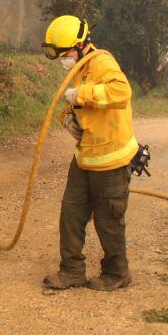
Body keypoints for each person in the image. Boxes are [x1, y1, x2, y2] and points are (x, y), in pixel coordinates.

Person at [40, 15, 139, 291]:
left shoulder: (102, 62)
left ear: (81, 45)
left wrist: (82, 95)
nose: (63, 60)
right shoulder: (79, 68)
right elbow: (69, 105)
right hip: (85, 157)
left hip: (111, 159)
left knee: (108, 220)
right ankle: (72, 270)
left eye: (65, 53)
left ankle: (117, 272)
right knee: (71, 213)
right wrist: (67, 120)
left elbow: (122, 92)